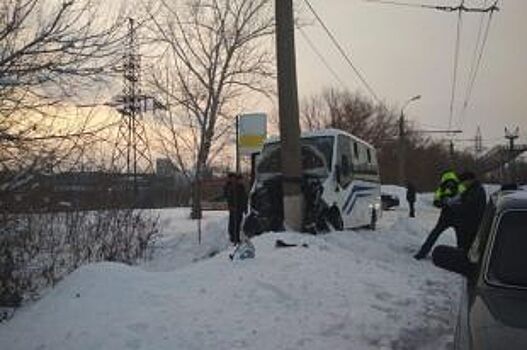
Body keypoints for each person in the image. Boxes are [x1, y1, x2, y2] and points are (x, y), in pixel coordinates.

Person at [413, 170, 465, 260]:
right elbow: (466, 198)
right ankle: (462, 256)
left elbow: (436, 202)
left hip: (446, 216)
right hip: (458, 216)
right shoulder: (460, 186)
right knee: (461, 238)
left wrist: (443, 202)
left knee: (434, 234)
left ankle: (422, 253)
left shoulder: (442, 187)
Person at [447, 171, 487, 253]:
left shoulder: (476, 190)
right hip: (467, 225)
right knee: (463, 246)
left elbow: (467, 207)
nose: (463, 184)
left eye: (463, 182)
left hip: (471, 226)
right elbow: (463, 198)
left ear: (469, 180)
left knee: (466, 248)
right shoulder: (472, 189)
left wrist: (453, 206)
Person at [223, 173, 247, 245]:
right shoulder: (229, 187)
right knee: (233, 223)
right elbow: (227, 196)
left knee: (238, 223)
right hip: (233, 208)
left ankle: (236, 237)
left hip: (239, 208)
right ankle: (233, 237)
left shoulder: (240, 187)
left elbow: (244, 198)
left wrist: (244, 208)